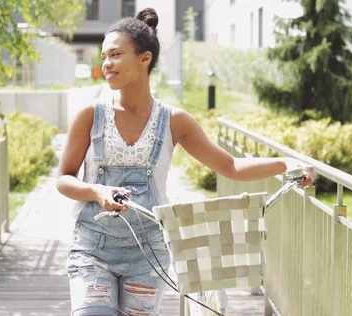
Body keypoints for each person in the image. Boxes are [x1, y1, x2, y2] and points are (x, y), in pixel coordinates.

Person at [56, 7, 315, 316]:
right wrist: (98, 192)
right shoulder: (91, 115)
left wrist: (286, 163)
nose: (106, 64)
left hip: (148, 254)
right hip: (92, 248)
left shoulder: (173, 120)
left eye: (115, 54)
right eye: (103, 56)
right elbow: (64, 179)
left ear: (144, 58)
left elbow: (230, 167)